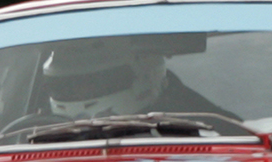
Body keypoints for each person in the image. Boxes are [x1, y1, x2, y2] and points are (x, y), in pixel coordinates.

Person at [39, 38, 234, 121]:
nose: (79, 93)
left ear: (144, 75)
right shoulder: (33, 135)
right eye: (67, 85)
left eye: (94, 82)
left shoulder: (203, 124)